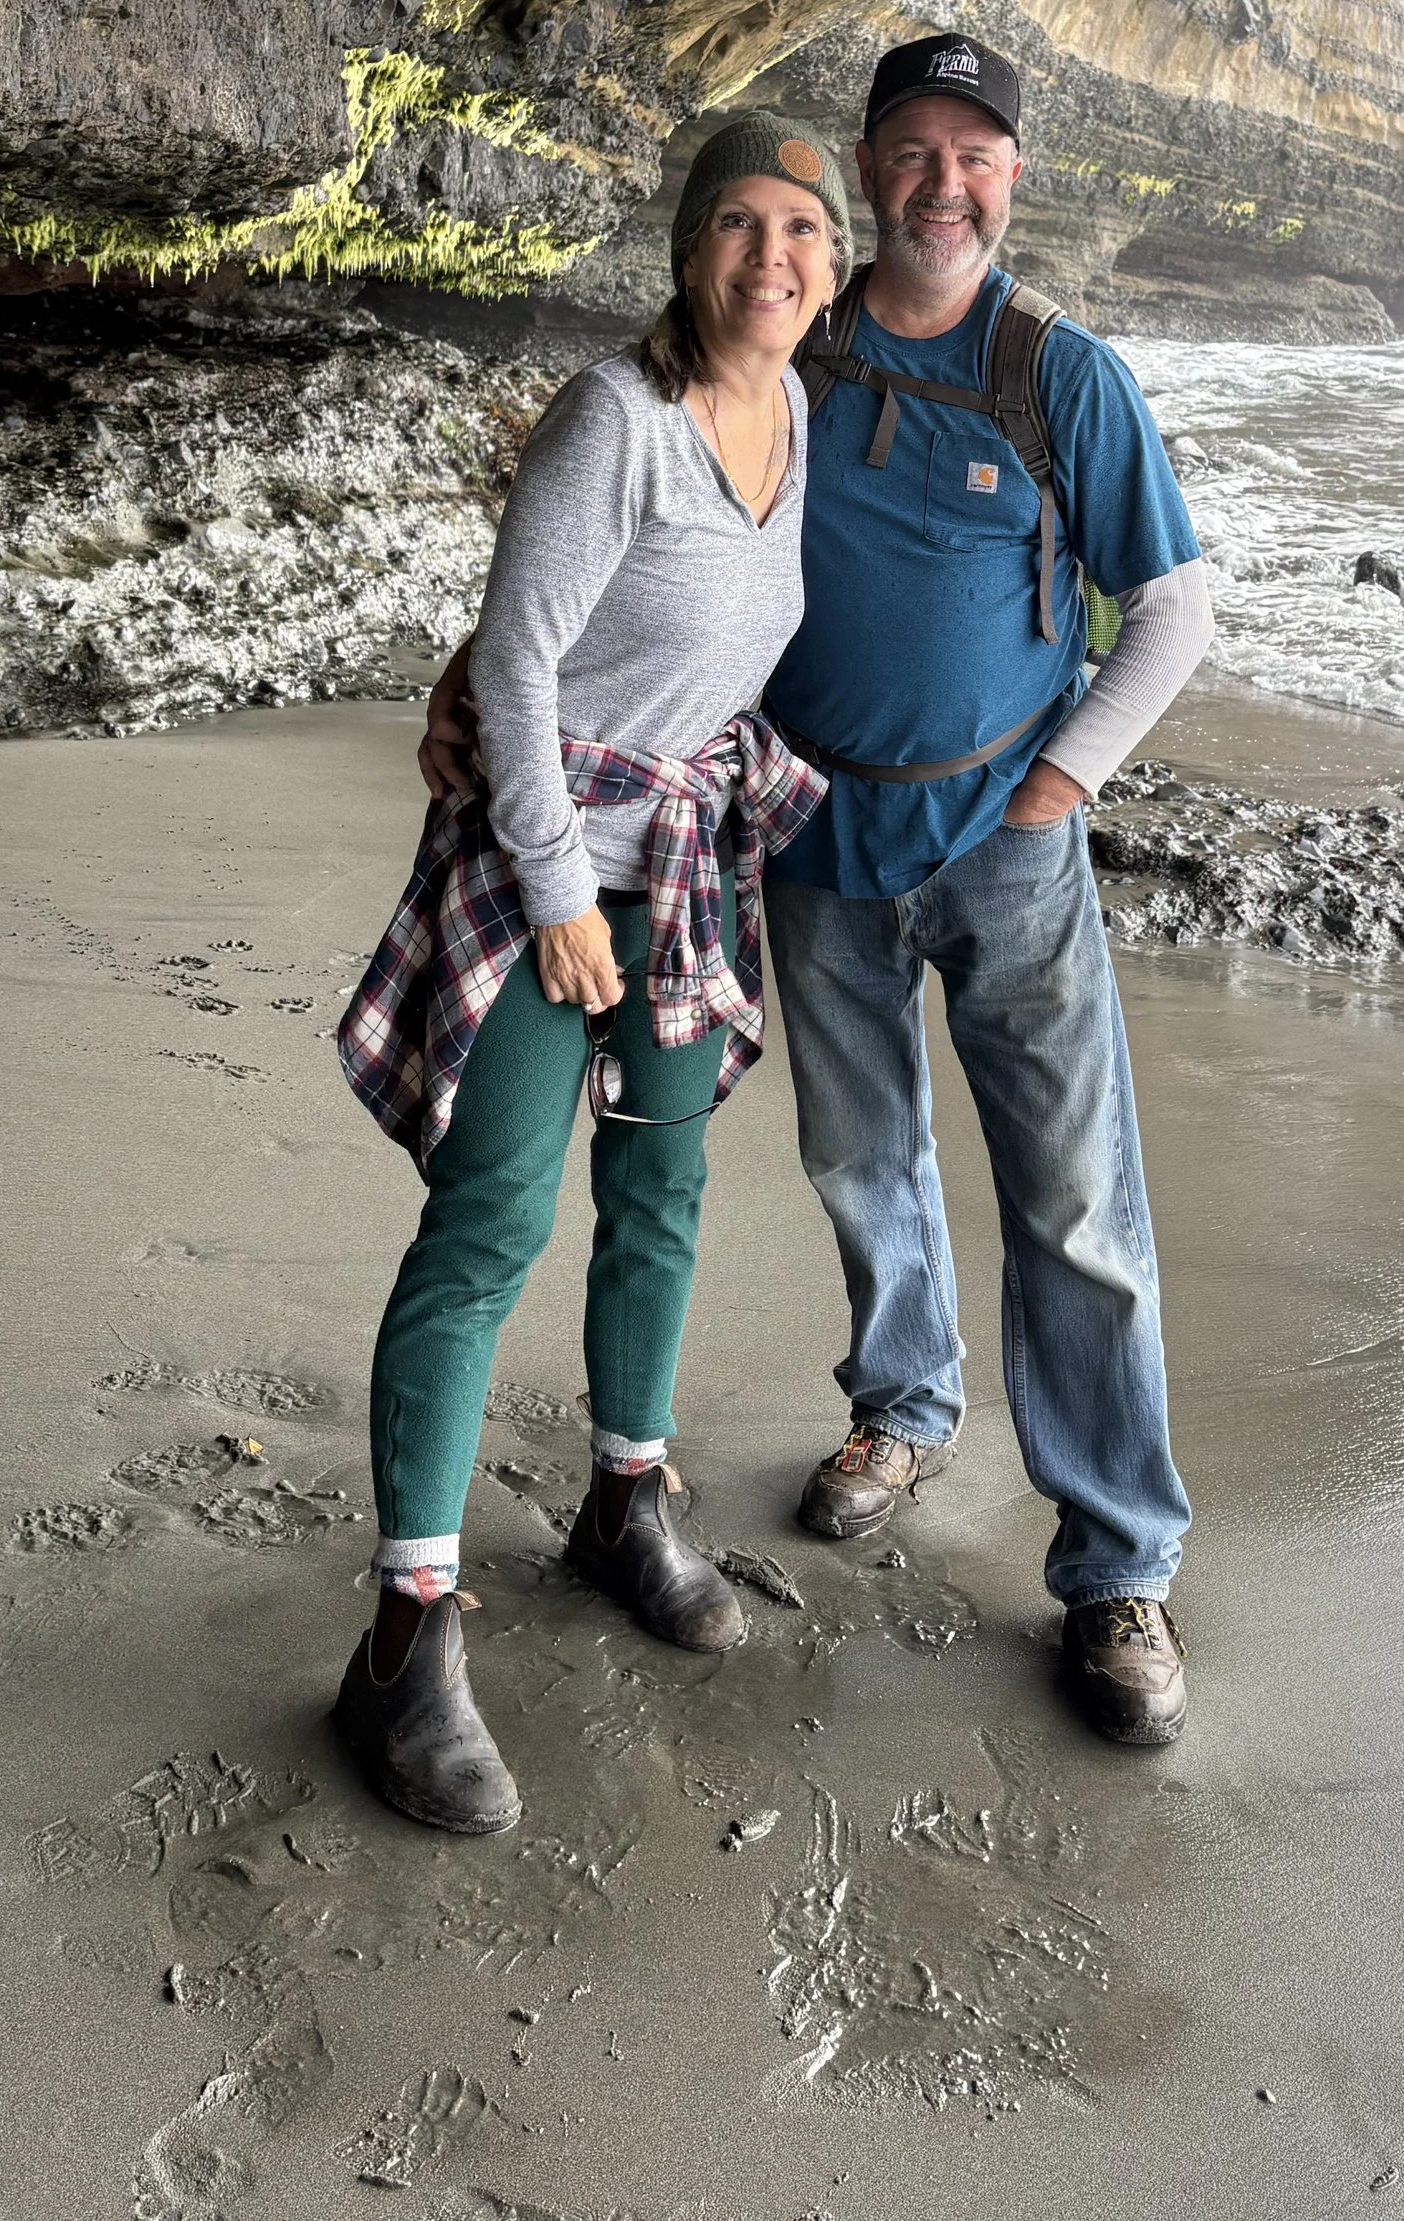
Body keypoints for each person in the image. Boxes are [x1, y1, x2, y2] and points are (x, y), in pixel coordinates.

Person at [426, 32, 1216, 1748]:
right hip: (802, 850)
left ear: (1014, 178)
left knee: (1075, 1209)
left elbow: (1173, 609)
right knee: (861, 1158)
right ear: (868, 174)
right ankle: (901, 1412)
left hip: (1007, 854)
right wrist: (479, 680)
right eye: (914, 151)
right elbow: (632, 550)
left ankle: (1118, 1570)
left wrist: (1057, 791)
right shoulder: (794, 340)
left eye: (978, 155)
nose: (946, 181)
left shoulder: (1059, 373)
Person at [331, 111, 847, 1834]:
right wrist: (558, 887)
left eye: (800, 230)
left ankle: (627, 1499)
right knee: (488, 1223)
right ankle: (407, 1629)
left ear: (829, 268)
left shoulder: (801, 420)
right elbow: (521, 654)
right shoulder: (614, 421)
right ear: (687, 245)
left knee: (667, 1187)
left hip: (685, 873)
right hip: (556, 873)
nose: (770, 257)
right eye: (739, 225)